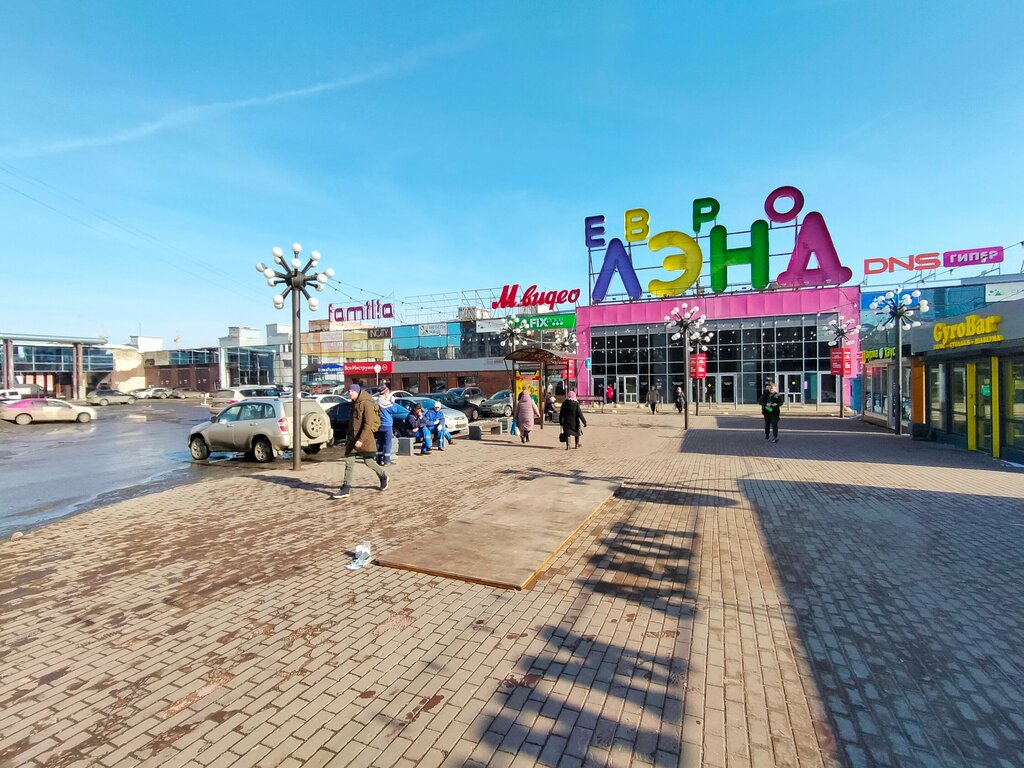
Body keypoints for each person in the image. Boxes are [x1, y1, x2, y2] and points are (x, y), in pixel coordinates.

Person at [330, 384, 388, 499]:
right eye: (349, 391)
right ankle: (346, 488)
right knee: (349, 463)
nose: (349, 393)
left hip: (364, 439)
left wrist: (361, 440)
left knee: (369, 462)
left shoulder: (366, 403)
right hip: (352, 440)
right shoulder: (353, 403)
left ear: (357, 392)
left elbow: (368, 424)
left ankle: (383, 476)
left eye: (351, 391)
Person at [375, 385, 395, 466]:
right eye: (388, 392)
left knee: (380, 442)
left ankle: (378, 459)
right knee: (388, 443)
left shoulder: (377, 401)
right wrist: (392, 402)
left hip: (379, 424)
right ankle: (386, 460)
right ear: (385, 392)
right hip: (387, 425)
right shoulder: (384, 402)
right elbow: (394, 410)